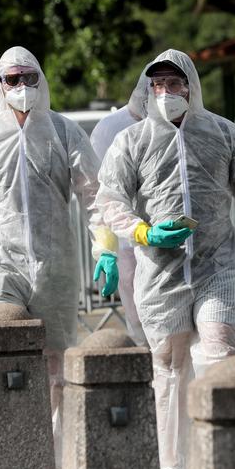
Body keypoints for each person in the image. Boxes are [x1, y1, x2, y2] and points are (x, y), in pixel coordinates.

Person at [0, 46, 118, 469]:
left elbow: (95, 197)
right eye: (11, 79)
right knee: (4, 349)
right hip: (1, 261)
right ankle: (5, 451)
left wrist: (105, 248)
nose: (21, 87)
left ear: (42, 81)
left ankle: (51, 455)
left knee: (55, 364)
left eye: (29, 78)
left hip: (56, 264)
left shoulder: (65, 132)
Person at [96, 49, 235, 469]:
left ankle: (218, 458)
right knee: (171, 370)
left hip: (218, 266)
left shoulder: (224, 134)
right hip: (160, 272)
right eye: (157, 84)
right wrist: (142, 232)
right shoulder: (132, 140)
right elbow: (109, 199)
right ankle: (173, 465)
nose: (165, 92)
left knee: (219, 355)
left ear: (191, 86)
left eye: (174, 83)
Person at [89, 65, 150, 347]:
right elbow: (100, 195)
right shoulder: (109, 129)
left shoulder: (188, 126)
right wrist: (106, 248)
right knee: (141, 330)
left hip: (175, 240)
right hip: (129, 244)